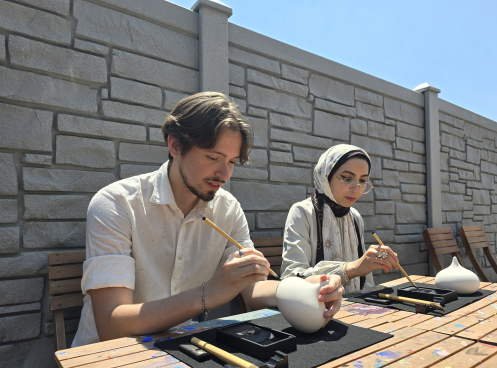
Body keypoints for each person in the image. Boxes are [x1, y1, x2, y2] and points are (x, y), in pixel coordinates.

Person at [72, 92, 343, 347]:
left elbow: (252, 290)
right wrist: (206, 295)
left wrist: (303, 289)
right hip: (105, 359)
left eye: (232, 162)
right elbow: (111, 325)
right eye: (213, 157)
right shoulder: (117, 204)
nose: (224, 174)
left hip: (182, 348)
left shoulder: (228, 208)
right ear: (175, 145)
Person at [281, 144, 399, 293]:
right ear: (326, 175)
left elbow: (364, 282)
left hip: (355, 304)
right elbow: (292, 279)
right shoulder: (302, 212)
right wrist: (351, 269)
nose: (356, 189)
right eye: (347, 178)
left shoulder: (355, 217)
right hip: (318, 305)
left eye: (363, 181)